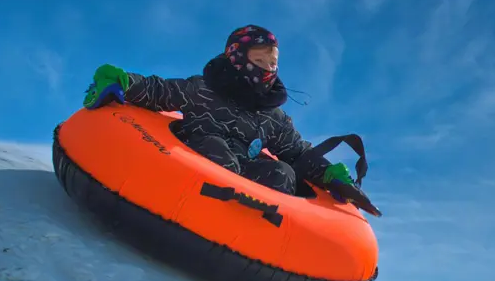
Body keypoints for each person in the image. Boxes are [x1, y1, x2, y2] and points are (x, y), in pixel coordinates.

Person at [81, 24, 379, 216]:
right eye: (259, 60)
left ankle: (255, 235)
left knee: (284, 172)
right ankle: (196, 217)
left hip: (244, 195)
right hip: (194, 169)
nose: (266, 69)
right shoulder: (203, 90)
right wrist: (121, 81)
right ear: (237, 58)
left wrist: (332, 177)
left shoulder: (274, 118)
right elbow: (160, 91)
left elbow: (299, 153)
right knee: (216, 148)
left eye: (272, 63)